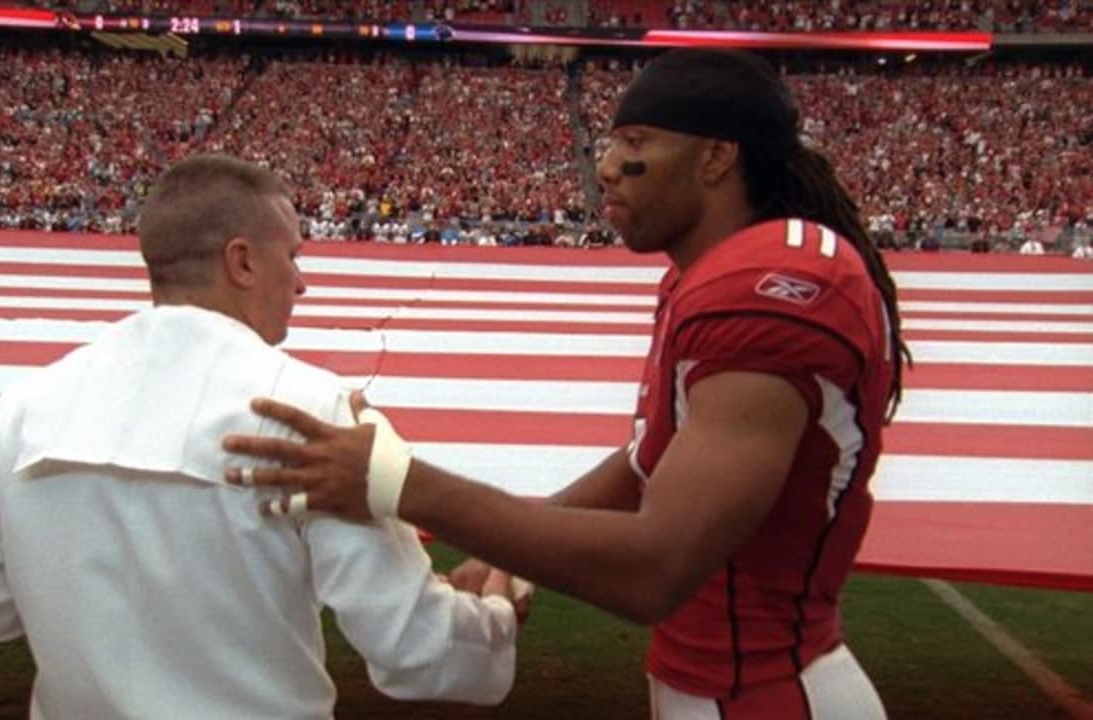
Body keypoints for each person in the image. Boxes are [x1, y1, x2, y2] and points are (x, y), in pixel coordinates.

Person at [222, 49, 909, 719]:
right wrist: (504, 555)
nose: (605, 167)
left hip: (768, 693)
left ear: (716, 157)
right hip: (727, 685)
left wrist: (396, 480)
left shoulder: (766, 291)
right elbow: (650, 464)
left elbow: (657, 570)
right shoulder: (712, 275)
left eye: (635, 142)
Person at [0, 154, 521, 720]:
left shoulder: (27, 406)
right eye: (293, 256)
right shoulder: (309, 409)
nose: (302, 282)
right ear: (243, 262)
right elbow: (422, 651)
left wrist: (84, 605)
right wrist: (497, 608)